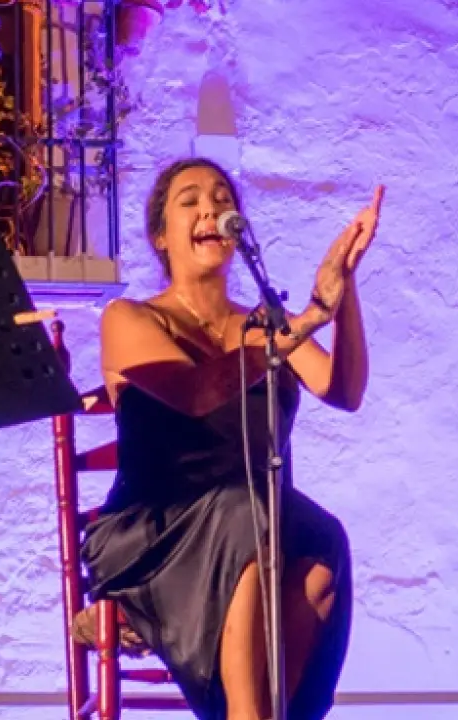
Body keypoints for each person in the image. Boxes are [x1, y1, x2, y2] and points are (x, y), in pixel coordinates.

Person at [82, 156, 384, 720]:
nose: (211, 209)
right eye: (190, 200)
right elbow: (197, 394)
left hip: (249, 521)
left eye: (223, 198)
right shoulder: (129, 318)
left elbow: (343, 390)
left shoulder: (265, 323)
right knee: (247, 513)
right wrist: (310, 318)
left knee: (320, 536)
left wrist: (343, 291)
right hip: (155, 531)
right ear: (161, 237)